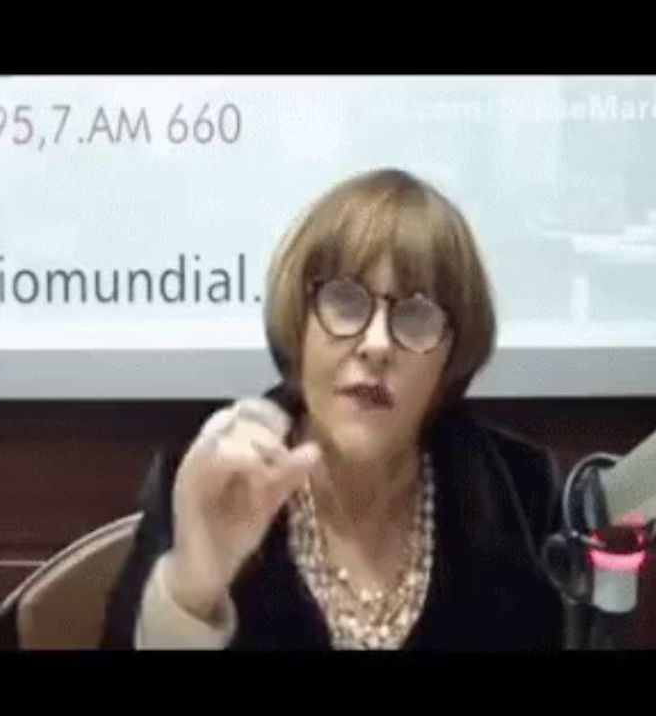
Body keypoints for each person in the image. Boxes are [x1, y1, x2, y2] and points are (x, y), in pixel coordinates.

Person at [101, 168, 564, 650]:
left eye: (417, 314)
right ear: (299, 320)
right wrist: (189, 598)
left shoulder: (520, 493)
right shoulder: (209, 478)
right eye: (346, 300)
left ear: (452, 351)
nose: (378, 344)